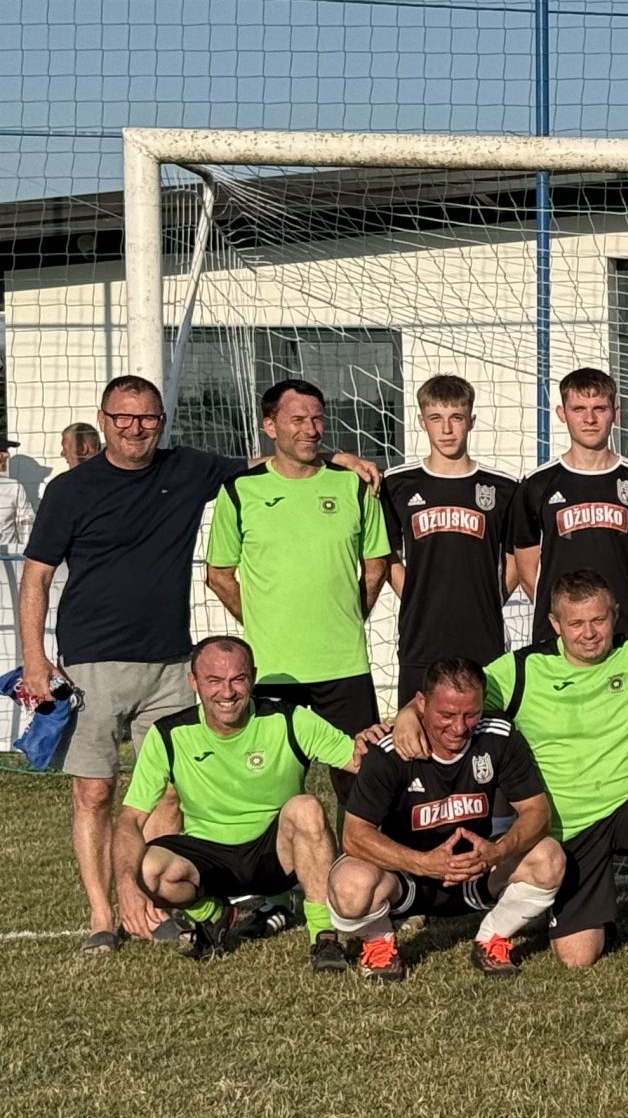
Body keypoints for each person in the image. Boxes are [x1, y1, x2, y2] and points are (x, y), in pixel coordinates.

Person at [17, 376, 260, 950]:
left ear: (161, 422)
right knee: (95, 793)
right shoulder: (70, 491)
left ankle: (149, 906)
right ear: (103, 420)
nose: (135, 428)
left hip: (171, 663)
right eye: (123, 417)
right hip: (92, 663)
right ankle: (103, 917)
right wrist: (33, 658)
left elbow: (268, 464)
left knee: (168, 792)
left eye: (147, 418)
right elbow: (37, 577)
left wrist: (340, 458)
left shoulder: (188, 469)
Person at [399, 572, 628, 977]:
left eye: (598, 620)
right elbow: (457, 694)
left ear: (616, 615)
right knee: (578, 956)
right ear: (555, 624)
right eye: (576, 623)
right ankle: (578, 908)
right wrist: (408, 714)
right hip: (567, 826)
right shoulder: (522, 670)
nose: (589, 633)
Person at [115, 635, 362, 968]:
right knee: (146, 870)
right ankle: (212, 913)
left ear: (253, 677)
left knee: (306, 808)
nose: (227, 692)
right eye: (214, 680)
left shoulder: (289, 719)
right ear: (193, 682)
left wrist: (405, 729)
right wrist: (126, 885)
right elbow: (130, 819)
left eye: (238, 679)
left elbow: (360, 761)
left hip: (275, 856)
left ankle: (325, 937)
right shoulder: (168, 734)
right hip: (207, 857)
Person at [327, 656, 565, 979]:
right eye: (447, 715)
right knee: (348, 885)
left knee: (549, 857)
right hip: (403, 879)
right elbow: (354, 836)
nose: (459, 727)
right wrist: (423, 863)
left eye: (471, 714)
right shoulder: (389, 751)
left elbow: (537, 811)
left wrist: (498, 851)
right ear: (421, 704)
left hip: (475, 871)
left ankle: (493, 938)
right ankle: (379, 941)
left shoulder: (498, 736)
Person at [203, 378, 391, 749]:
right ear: (270, 426)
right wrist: (262, 619)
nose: (311, 429)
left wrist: (349, 616)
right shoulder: (240, 490)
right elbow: (219, 576)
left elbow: (376, 565)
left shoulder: (354, 485)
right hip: (271, 667)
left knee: (357, 767)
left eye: (318, 419)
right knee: (272, 771)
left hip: (344, 663)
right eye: (298, 420)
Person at [381, 374, 516, 705]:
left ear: (471, 421)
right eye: (435, 418)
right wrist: (414, 595)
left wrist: (491, 598)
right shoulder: (397, 484)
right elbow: (386, 555)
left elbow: (515, 558)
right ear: (421, 422)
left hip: (482, 635)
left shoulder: (502, 487)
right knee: (418, 724)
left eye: (456, 417)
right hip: (421, 636)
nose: (446, 429)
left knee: (482, 724)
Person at [510, 366, 628, 650]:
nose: (590, 419)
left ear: (615, 413)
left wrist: (624, 601)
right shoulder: (536, 484)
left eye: (599, 409)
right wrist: (563, 612)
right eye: (579, 409)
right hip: (557, 638)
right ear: (562, 413)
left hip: (625, 632)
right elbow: (526, 564)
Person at [0, 438, 32, 554]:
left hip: (11, 556)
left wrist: (25, 552)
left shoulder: (14, 487)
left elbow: (26, 522)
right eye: (3, 450)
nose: (8, 455)